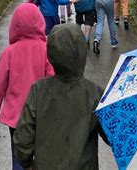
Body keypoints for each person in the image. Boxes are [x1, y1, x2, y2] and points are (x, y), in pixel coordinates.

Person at [13, 24, 108, 170]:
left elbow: (23, 138)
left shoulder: (38, 90)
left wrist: (27, 163)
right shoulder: (95, 94)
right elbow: (111, 137)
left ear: (51, 55)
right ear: (82, 52)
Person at [0, 3, 55, 170]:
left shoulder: (9, 53)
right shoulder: (47, 50)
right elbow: (53, 81)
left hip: (16, 119)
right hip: (41, 116)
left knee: (18, 158)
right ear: (40, 22)